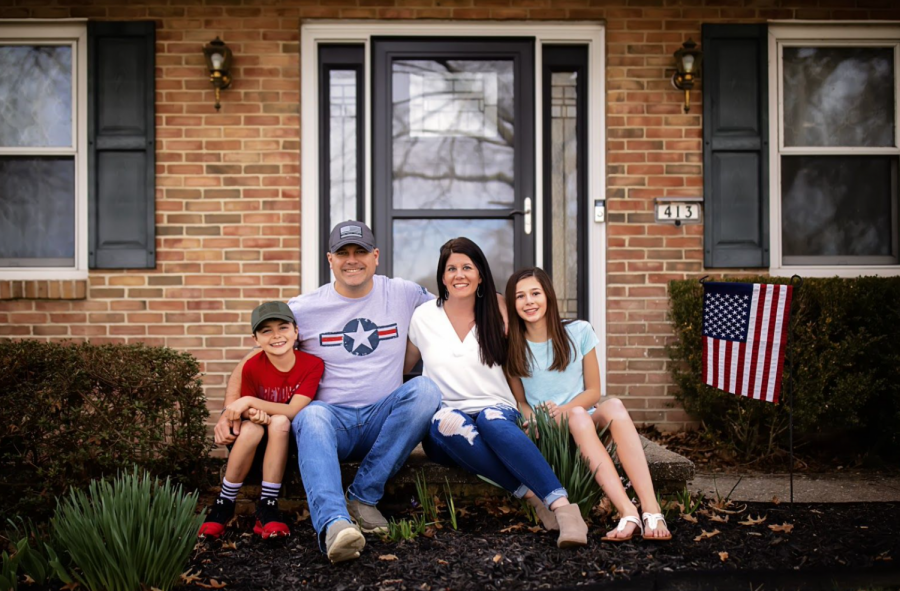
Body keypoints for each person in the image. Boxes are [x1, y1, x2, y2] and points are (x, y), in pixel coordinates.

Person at [213, 220, 443, 564]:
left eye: (360, 251)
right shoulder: (304, 308)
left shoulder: (404, 293)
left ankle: (363, 498)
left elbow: (454, 307)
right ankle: (335, 525)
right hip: (329, 423)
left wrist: (502, 307)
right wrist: (231, 409)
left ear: (376, 256)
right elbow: (254, 357)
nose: (352, 260)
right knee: (312, 413)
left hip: (382, 416)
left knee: (424, 389)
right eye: (343, 253)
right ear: (330, 260)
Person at [405, 238, 589, 549]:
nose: (459, 274)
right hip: (445, 418)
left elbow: (531, 346)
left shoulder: (500, 309)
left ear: (480, 274)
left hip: (497, 408)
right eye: (451, 268)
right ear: (442, 276)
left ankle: (563, 509)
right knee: (447, 423)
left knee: (491, 420)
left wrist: (537, 402)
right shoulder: (423, 316)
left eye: (467, 267)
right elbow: (401, 368)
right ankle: (534, 495)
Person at [504, 267, 672, 541]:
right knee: (580, 417)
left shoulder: (579, 331)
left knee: (613, 406)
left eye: (535, 293)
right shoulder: (512, 346)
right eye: (520, 296)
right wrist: (535, 418)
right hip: (548, 429)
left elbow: (594, 391)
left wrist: (567, 409)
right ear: (513, 304)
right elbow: (520, 400)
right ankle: (627, 510)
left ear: (548, 295)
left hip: (581, 416)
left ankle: (651, 508)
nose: (529, 301)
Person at [200, 301, 324, 540]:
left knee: (280, 422)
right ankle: (224, 503)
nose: (276, 336)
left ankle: (267, 506)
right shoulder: (252, 367)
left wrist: (250, 402)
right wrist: (251, 411)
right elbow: (244, 411)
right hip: (251, 442)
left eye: (283, 328)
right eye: (266, 330)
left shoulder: (312, 364)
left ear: (296, 331)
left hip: (284, 441)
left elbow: (294, 409)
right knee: (253, 429)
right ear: (255, 339)